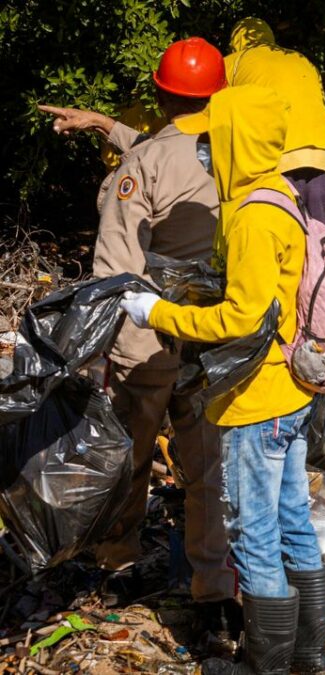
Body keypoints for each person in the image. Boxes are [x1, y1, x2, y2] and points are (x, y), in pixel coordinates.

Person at [120, 85, 325, 675]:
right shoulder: (283, 197)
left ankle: (265, 666)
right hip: (291, 389)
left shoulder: (252, 218)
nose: (206, 149)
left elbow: (241, 317)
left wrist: (155, 313)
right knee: (292, 520)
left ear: (238, 140)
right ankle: (311, 657)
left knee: (254, 531)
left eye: (214, 139)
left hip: (255, 398)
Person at [38, 37, 239, 641]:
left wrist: (93, 342)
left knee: (130, 456)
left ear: (160, 92)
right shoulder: (239, 150)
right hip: (215, 334)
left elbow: (114, 266)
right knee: (208, 469)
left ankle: (119, 561)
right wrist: (105, 125)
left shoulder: (144, 167)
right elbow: (172, 157)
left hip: (148, 337)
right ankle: (214, 590)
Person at [224, 17, 325, 232]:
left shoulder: (233, 62)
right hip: (323, 155)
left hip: (276, 159)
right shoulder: (301, 59)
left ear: (235, 43)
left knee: (279, 235)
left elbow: (220, 118)